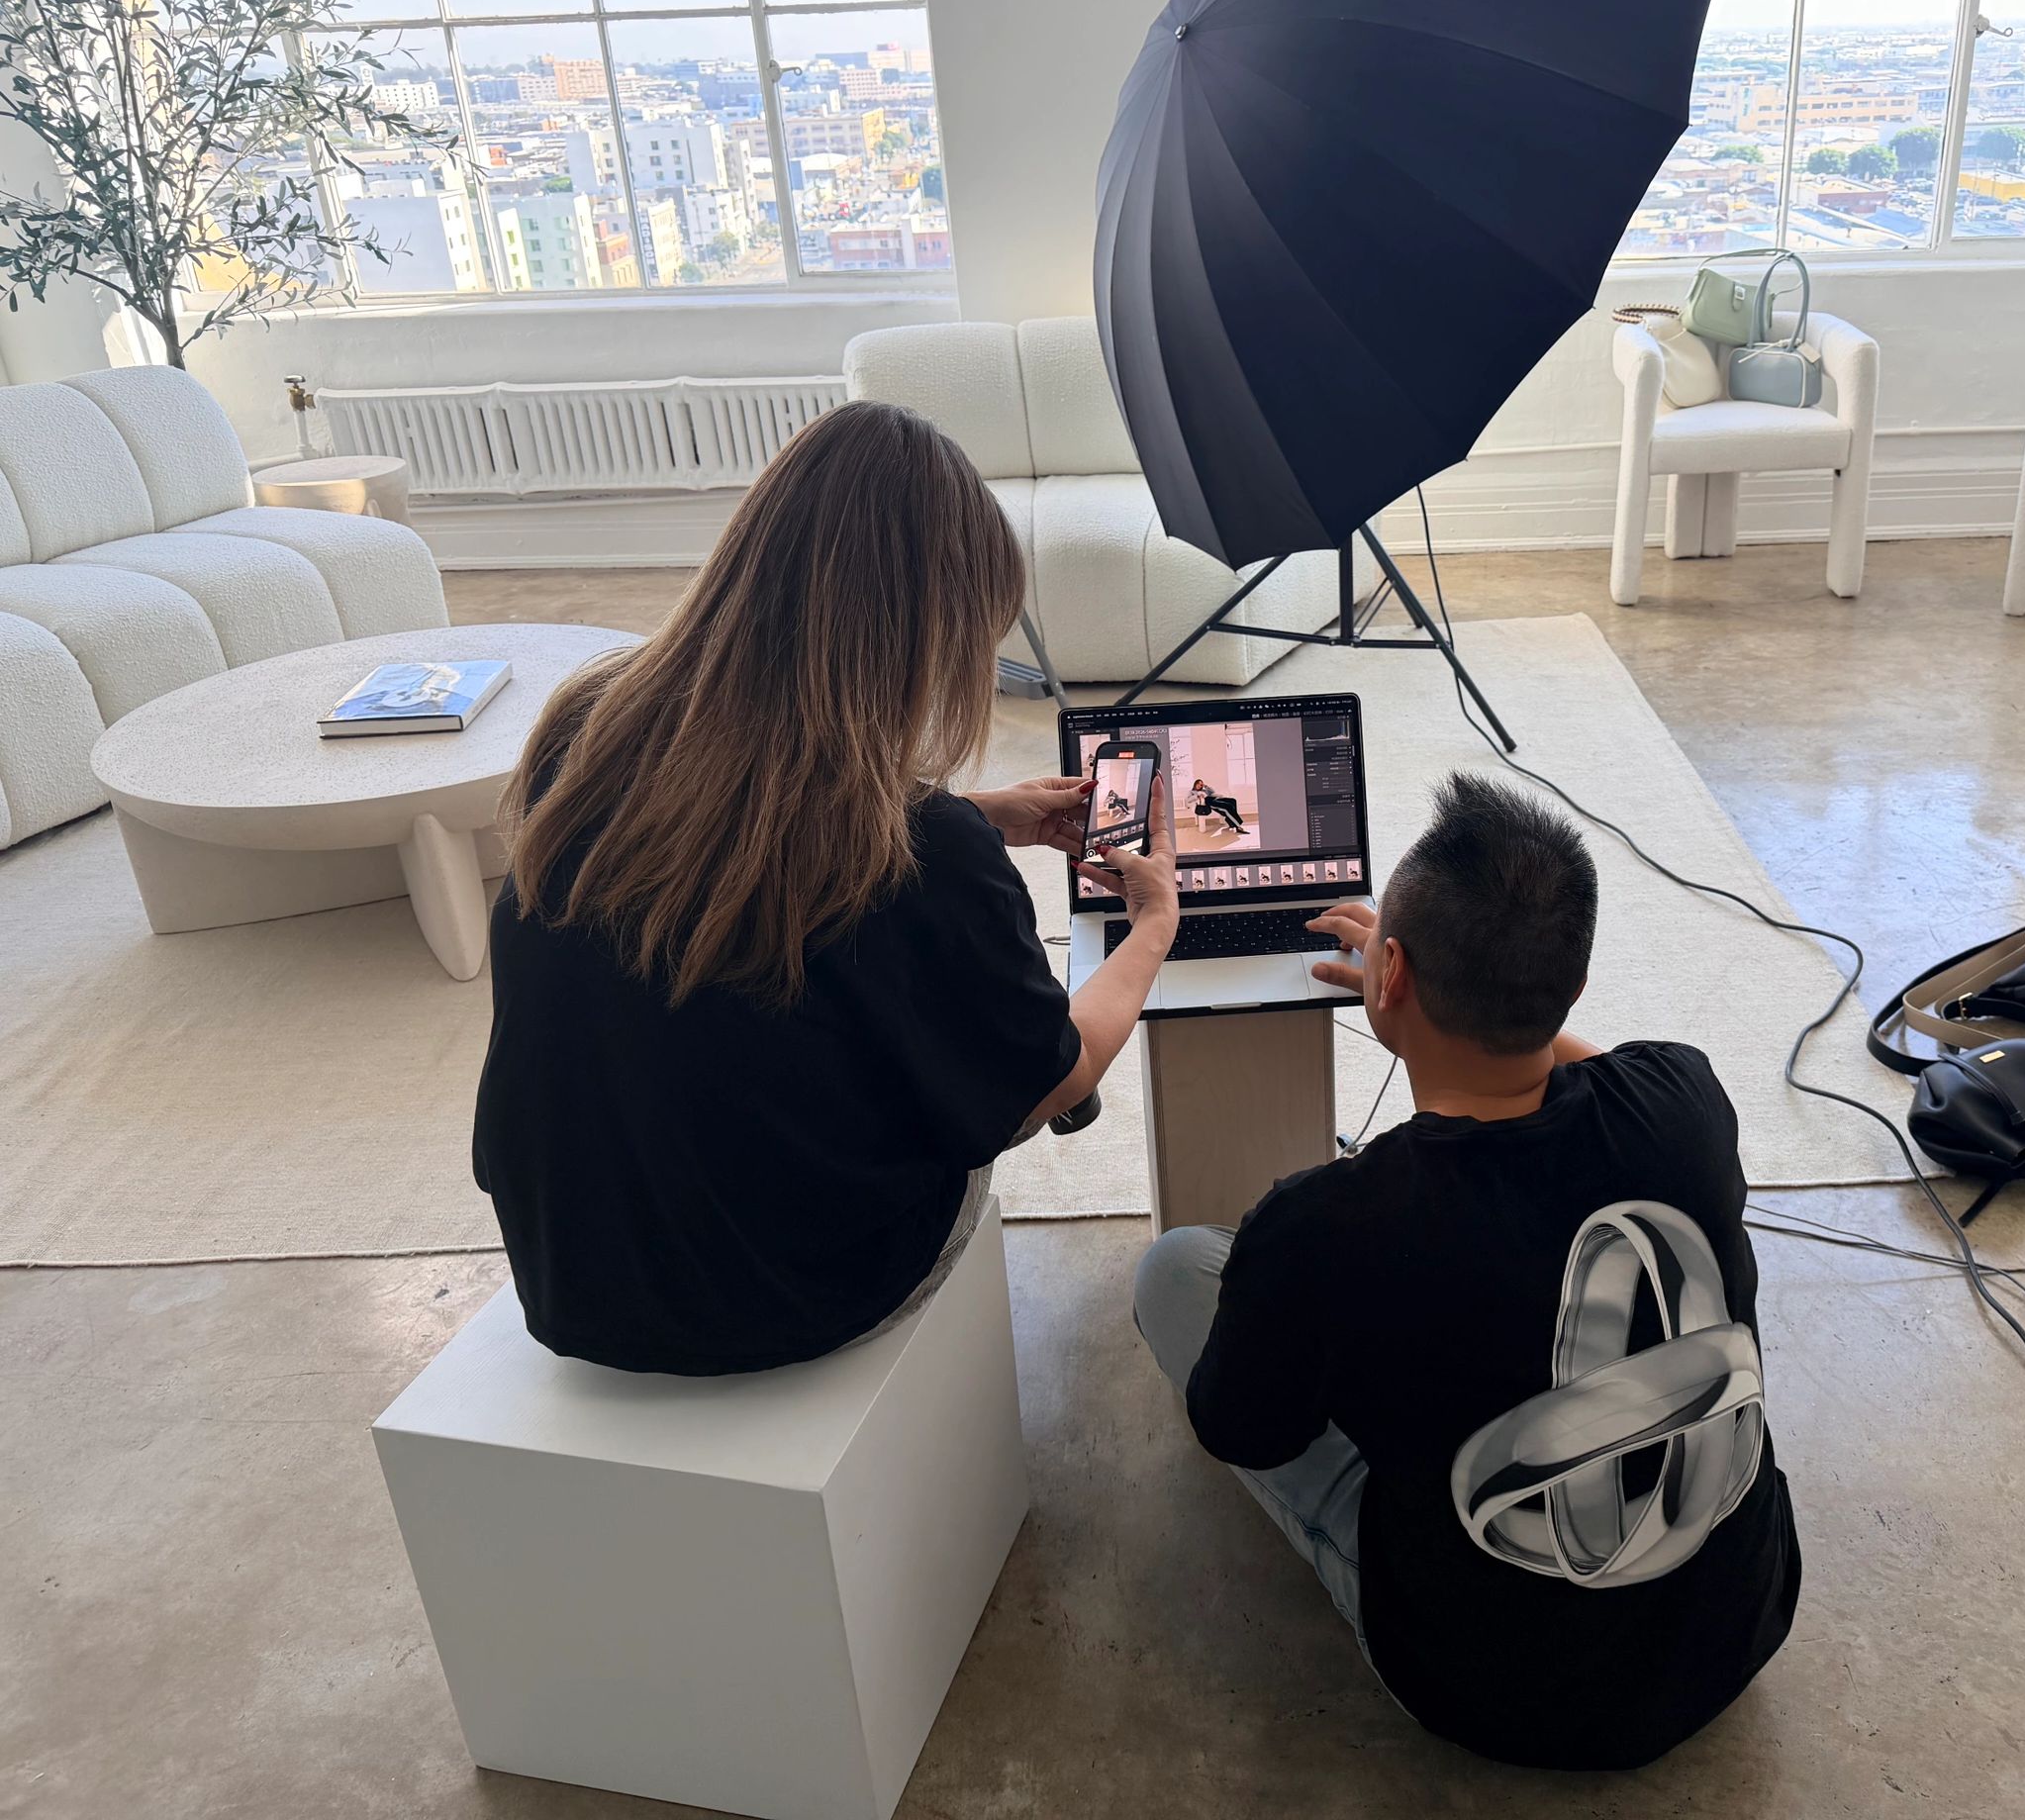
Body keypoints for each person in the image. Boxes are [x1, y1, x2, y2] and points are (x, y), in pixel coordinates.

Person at [474, 401, 1179, 1377]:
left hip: (569, 1272)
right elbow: (1045, 1087)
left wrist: (981, 811)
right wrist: (1150, 929)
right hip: (785, 1300)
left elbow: (749, 837)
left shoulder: (593, 721)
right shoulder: (928, 856)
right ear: (926, 637)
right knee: (974, 1086)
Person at [1132, 773, 1799, 1772]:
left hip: (1488, 1689)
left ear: (1389, 974)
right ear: (1573, 987)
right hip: (1735, 1626)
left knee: (1175, 1269)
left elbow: (1245, 1430)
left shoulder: (1320, 1228)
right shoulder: (1688, 1103)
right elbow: (1597, 1068)